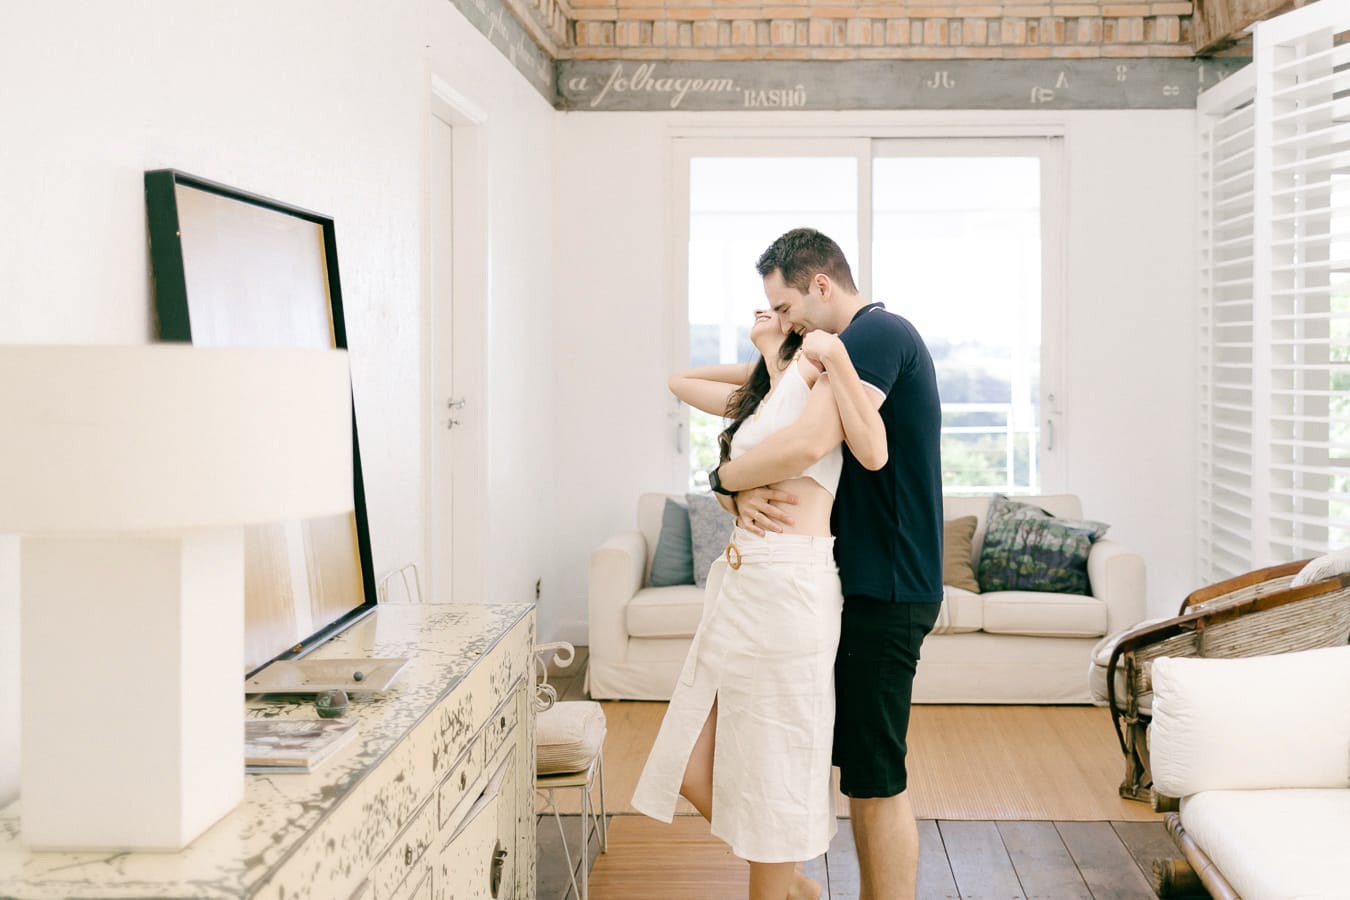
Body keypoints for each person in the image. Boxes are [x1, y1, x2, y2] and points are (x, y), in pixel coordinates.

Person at [715, 228, 944, 900]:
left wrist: (723, 478)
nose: (786, 322)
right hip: (868, 582)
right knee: (863, 774)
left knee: (876, 779)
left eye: (788, 308)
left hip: (889, 585)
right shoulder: (847, 345)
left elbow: (814, 439)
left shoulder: (874, 334)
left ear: (821, 284)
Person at [631, 303, 886, 900]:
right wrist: (766, 359)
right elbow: (679, 381)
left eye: (776, 304)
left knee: (774, 764)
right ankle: (790, 881)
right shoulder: (764, 394)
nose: (760, 309)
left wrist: (787, 350)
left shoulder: (818, 378)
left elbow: (810, 449)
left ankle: (780, 883)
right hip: (744, 582)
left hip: (790, 585)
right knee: (689, 763)